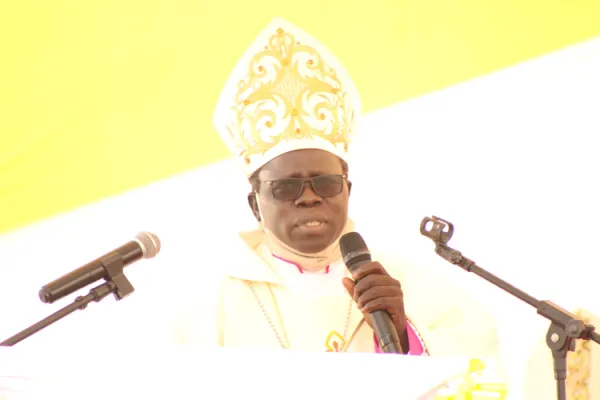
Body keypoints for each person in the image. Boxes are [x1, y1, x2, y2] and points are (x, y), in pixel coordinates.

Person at [168, 17, 503, 360]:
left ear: (348, 191)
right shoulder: (213, 304)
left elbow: (479, 365)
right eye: (286, 187)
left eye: (327, 183)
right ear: (255, 205)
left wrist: (404, 337)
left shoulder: (399, 281)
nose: (310, 197)